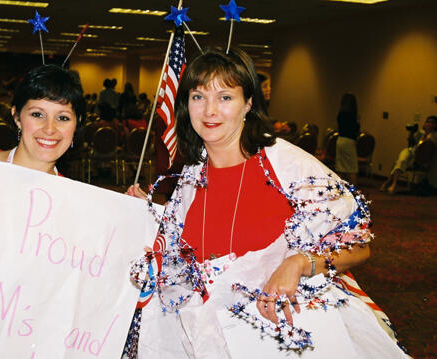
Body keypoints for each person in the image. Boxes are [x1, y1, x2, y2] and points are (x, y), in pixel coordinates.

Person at [125, 48, 407, 358]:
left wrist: (299, 263)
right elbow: (190, 243)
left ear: (248, 103)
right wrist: (147, 214)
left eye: (225, 97)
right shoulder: (192, 175)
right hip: (203, 339)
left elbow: (358, 246)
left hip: (277, 340)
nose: (209, 111)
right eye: (198, 96)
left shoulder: (289, 166)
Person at [0, 64, 85, 176]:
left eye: (63, 118)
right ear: (16, 116)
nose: (49, 129)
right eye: (37, 114)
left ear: (77, 123)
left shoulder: (71, 196)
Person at [380, 115, 437, 194]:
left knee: (400, 162)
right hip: (411, 152)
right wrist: (411, 133)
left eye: (432, 123)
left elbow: (427, 149)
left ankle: (390, 183)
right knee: (403, 158)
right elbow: (411, 144)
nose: (429, 124)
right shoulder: (421, 133)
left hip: (420, 159)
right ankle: (392, 184)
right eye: (427, 122)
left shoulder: (434, 136)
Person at [335, 93, 360, 186]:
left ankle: (338, 189)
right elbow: (355, 130)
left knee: (340, 167)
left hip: (340, 140)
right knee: (352, 168)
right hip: (349, 141)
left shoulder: (340, 114)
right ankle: (354, 191)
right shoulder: (352, 115)